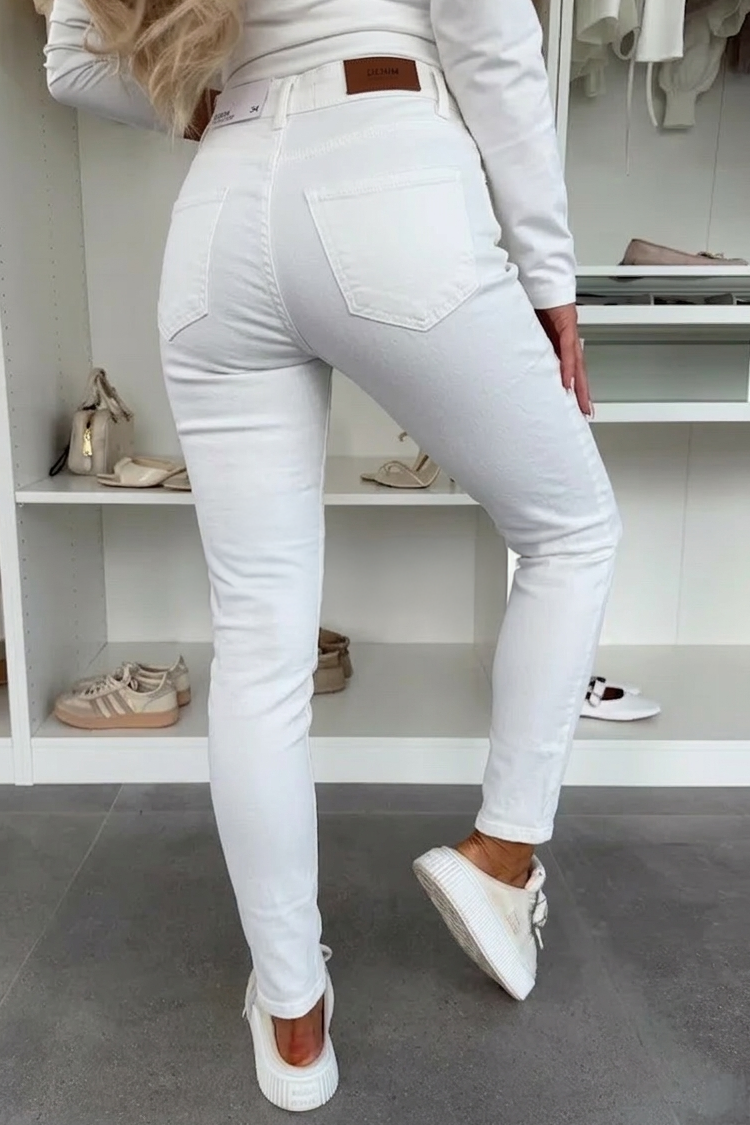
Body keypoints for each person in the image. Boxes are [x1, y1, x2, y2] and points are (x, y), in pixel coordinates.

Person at [44, 0, 622, 1111]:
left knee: (259, 645)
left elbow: (72, 63)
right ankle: (502, 857)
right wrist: (552, 280)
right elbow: (493, 43)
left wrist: (217, 102)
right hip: (388, 171)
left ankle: (295, 1022)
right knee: (571, 528)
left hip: (219, 211)